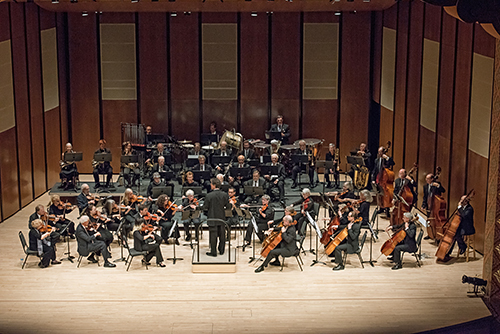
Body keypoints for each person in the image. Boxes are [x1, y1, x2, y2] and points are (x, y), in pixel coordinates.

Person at [201, 178, 230, 257]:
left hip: (212, 217)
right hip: (221, 217)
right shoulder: (224, 194)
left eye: (211, 184)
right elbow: (227, 206)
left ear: (214, 185)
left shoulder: (209, 195)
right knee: (222, 235)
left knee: (213, 235)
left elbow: (205, 207)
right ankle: (221, 250)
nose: (210, 185)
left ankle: (213, 252)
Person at [443, 195, 475, 261]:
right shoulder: (462, 208)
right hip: (461, 226)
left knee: (456, 234)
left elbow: (464, 216)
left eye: (462, 200)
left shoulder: (470, 209)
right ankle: (448, 253)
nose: (460, 201)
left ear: (466, 201)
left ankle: (463, 246)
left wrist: (459, 207)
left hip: (467, 227)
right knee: (454, 234)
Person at [371, 146, 395, 217]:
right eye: (378, 152)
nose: (379, 153)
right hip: (379, 178)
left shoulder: (388, 159)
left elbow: (392, 163)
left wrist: (387, 158)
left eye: (380, 152)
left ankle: (387, 209)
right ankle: (381, 208)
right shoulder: (377, 160)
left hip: (385, 179)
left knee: (386, 194)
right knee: (379, 194)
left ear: (383, 152)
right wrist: (373, 179)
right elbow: (375, 170)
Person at [421, 173, 446, 240]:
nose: (426, 180)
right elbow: (425, 197)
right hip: (430, 207)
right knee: (429, 221)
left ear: (432, 179)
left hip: (436, 207)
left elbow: (443, 190)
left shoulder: (436, 184)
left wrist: (438, 186)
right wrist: (423, 206)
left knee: (437, 221)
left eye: (428, 179)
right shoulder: (425, 186)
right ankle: (430, 234)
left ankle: (438, 236)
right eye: (426, 178)